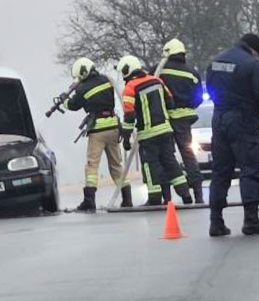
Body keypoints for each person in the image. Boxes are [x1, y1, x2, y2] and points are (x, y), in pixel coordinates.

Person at [205, 33, 259, 237]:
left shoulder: (216, 61)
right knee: (249, 169)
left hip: (219, 118)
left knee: (220, 171)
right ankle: (251, 220)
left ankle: (216, 221)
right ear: (255, 50)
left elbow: (210, 88)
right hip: (243, 120)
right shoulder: (252, 64)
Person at [118, 55, 193, 206]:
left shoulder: (130, 88)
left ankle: (154, 198)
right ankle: (185, 194)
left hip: (148, 135)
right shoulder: (157, 81)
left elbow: (129, 116)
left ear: (127, 70)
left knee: (150, 166)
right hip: (165, 131)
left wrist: (126, 138)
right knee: (171, 163)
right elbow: (170, 102)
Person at [66, 57, 132, 211]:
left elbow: (73, 105)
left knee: (92, 166)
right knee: (116, 165)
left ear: (82, 72)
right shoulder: (106, 80)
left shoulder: (82, 88)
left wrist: (63, 101)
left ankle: (89, 201)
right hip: (113, 128)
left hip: (97, 131)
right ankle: (127, 199)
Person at [158, 38, 205, 204]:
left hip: (165, 119)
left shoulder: (159, 71)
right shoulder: (192, 73)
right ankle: (198, 195)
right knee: (188, 154)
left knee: (166, 157)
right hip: (185, 120)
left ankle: (167, 198)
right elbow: (199, 98)